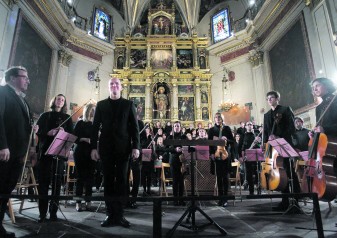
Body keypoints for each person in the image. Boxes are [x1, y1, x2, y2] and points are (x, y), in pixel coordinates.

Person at [91, 77, 140, 228]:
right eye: (111, 83)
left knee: (122, 181)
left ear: (121, 87)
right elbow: (94, 128)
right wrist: (94, 147)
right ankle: (109, 214)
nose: (114, 85)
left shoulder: (129, 104)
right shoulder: (101, 105)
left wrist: (136, 147)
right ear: (108, 87)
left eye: (116, 84)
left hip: (123, 149)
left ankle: (119, 215)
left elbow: (134, 128)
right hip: (106, 149)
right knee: (108, 181)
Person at [0, 66, 36, 238]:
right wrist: (2, 145)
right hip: (5, 152)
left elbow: (23, 123)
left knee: (6, 191)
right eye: (25, 77)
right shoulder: (2, 92)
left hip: (17, 154)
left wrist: (32, 128)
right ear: (13, 78)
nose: (28, 80)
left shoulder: (23, 99)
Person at [36, 94, 73, 222]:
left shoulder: (67, 118)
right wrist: (49, 132)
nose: (60, 101)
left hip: (59, 154)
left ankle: (53, 213)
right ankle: (42, 213)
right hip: (45, 153)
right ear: (54, 101)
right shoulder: (45, 116)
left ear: (64, 103)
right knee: (44, 184)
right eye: (58, 99)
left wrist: (63, 132)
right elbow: (38, 132)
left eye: (63, 100)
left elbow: (71, 135)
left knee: (57, 185)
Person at [263, 91, 300, 211]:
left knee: (288, 170)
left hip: (284, 144)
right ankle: (284, 200)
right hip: (273, 146)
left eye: (271, 98)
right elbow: (266, 131)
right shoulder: (267, 115)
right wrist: (265, 144)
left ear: (277, 98)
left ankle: (296, 198)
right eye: (268, 98)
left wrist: (280, 137)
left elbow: (291, 127)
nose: (269, 100)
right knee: (280, 172)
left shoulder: (285, 110)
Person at [310, 78, 337, 226]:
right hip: (327, 149)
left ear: (326, 85)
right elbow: (319, 128)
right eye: (312, 87)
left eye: (317, 85)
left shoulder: (336, 100)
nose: (314, 89)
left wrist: (326, 130)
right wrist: (314, 133)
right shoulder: (318, 108)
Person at [73, 103, 96, 212]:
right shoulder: (80, 123)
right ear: (87, 111)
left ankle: (88, 201)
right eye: (91, 110)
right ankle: (78, 202)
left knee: (90, 178)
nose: (93, 112)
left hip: (91, 152)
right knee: (80, 178)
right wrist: (84, 139)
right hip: (80, 151)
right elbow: (74, 138)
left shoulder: (95, 124)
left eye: (94, 110)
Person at [208, 112, 234, 207]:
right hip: (216, 156)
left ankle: (225, 199)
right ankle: (220, 198)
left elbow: (232, 141)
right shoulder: (211, 130)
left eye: (219, 117)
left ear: (222, 119)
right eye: (216, 117)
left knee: (225, 178)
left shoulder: (226, 128)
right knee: (219, 178)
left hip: (226, 155)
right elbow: (210, 143)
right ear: (214, 119)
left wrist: (226, 139)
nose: (218, 119)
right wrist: (211, 154)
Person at [240, 122, 262, 195]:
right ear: (246, 127)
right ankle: (251, 191)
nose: (250, 126)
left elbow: (260, 146)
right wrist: (242, 156)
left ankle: (259, 188)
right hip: (247, 156)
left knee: (257, 173)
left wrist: (258, 142)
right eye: (248, 125)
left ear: (252, 126)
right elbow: (241, 147)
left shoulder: (256, 134)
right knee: (249, 174)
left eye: (251, 124)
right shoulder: (243, 135)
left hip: (256, 156)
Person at [168, 121, 186, 206]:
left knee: (181, 180)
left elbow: (188, 146)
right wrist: (175, 149)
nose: (176, 127)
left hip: (182, 161)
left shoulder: (184, 137)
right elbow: (166, 148)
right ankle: (175, 199)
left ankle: (181, 199)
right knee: (175, 181)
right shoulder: (170, 137)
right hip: (174, 161)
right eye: (175, 126)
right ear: (173, 127)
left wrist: (182, 149)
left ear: (180, 127)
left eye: (178, 126)